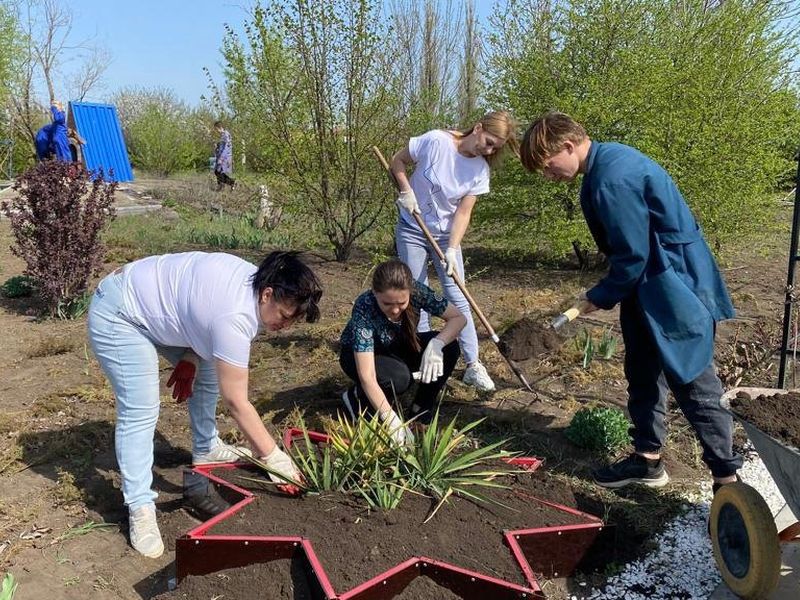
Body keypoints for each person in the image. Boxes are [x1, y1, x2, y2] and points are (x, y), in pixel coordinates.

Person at [519, 111, 741, 492]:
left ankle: (726, 479)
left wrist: (598, 296)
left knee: (692, 378)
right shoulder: (609, 161)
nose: (547, 174)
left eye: (547, 164)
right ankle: (647, 459)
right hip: (650, 284)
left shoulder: (612, 179)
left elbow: (633, 257)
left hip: (672, 286)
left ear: (568, 147)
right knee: (642, 368)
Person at [87, 250, 321, 558]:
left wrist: (191, 355)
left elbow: (201, 312)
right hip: (120, 314)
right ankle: (140, 506)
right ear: (267, 294)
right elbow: (236, 401)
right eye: (285, 316)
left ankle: (206, 446)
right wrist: (273, 457)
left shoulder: (253, 284)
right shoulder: (237, 316)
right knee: (141, 409)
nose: (285, 326)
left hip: (152, 305)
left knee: (210, 368)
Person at [390, 111, 519, 393]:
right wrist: (405, 192)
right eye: (488, 142)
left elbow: (463, 212)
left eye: (495, 148)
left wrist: (451, 248)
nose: (489, 150)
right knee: (416, 291)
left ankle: (473, 365)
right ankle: (421, 352)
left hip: (446, 236)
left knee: (458, 294)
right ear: (477, 128)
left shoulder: (480, 171)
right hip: (413, 227)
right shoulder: (435, 141)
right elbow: (397, 161)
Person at [339, 260, 466, 443]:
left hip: (397, 344)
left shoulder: (418, 291)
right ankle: (356, 398)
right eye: (387, 303)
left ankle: (420, 410)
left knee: (450, 348)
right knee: (398, 379)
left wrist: (437, 344)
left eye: (402, 302)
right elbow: (367, 375)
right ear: (375, 293)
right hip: (360, 355)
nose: (396, 310)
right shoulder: (364, 306)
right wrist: (390, 420)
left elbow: (458, 318)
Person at [213, 121, 236, 190]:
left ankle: (231, 183)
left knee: (219, 172)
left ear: (218, 127)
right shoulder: (223, 135)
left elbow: (226, 148)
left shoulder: (226, 135)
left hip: (225, 157)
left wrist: (221, 158)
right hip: (221, 156)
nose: (216, 131)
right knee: (218, 172)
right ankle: (223, 185)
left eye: (216, 129)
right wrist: (216, 146)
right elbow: (221, 147)